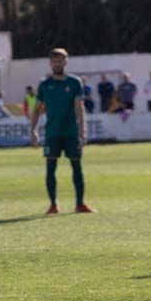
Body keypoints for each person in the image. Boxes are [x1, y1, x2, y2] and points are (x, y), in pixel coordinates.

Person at [29, 48, 95, 215]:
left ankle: (80, 204)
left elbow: (80, 107)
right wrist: (33, 130)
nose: (57, 64)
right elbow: (36, 110)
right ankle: (53, 205)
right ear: (50, 63)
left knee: (77, 167)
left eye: (60, 61)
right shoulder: (45, 85)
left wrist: (83, 130)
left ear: (65, 62)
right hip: (52, 133)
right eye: (54, 61)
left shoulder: (74, 82)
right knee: (50, 168)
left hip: (71, 132)